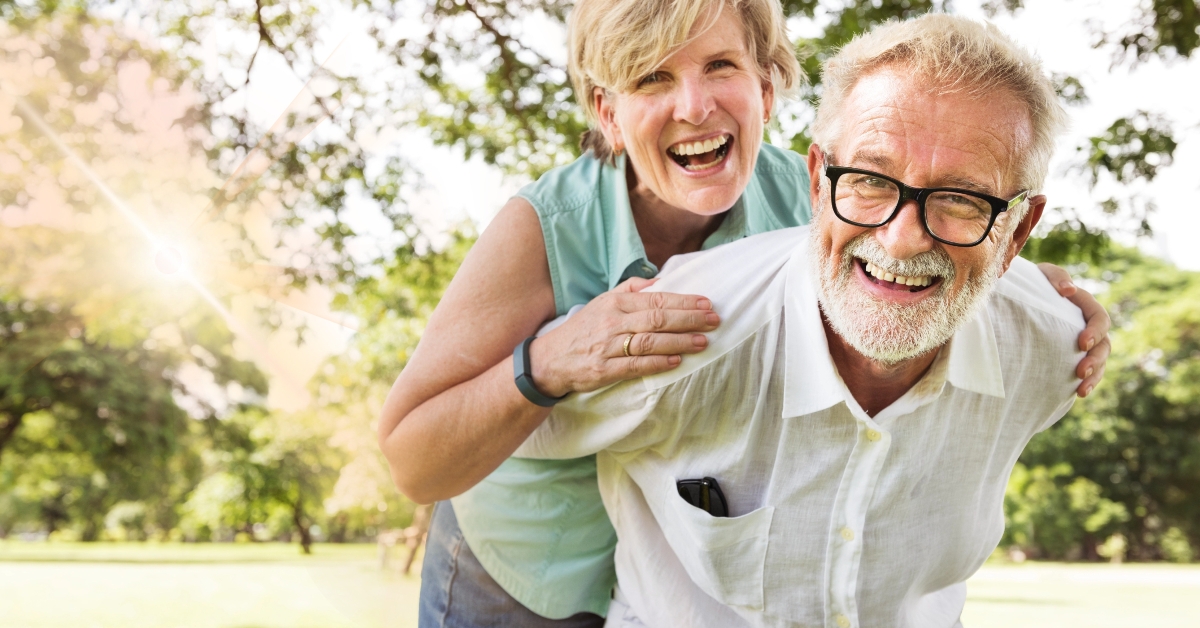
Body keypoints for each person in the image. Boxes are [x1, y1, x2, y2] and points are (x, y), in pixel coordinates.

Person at [377, 1, 1111, 626]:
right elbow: (413, 456)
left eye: (719, 67)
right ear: (608, 111)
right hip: (532, 555)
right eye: (651, 76)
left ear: (768, 85)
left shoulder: (817, 194)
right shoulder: (547, 226)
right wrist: (549, 361)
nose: (694, 105)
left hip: (681, 546)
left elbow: (917, 238)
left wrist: (1019, 282)